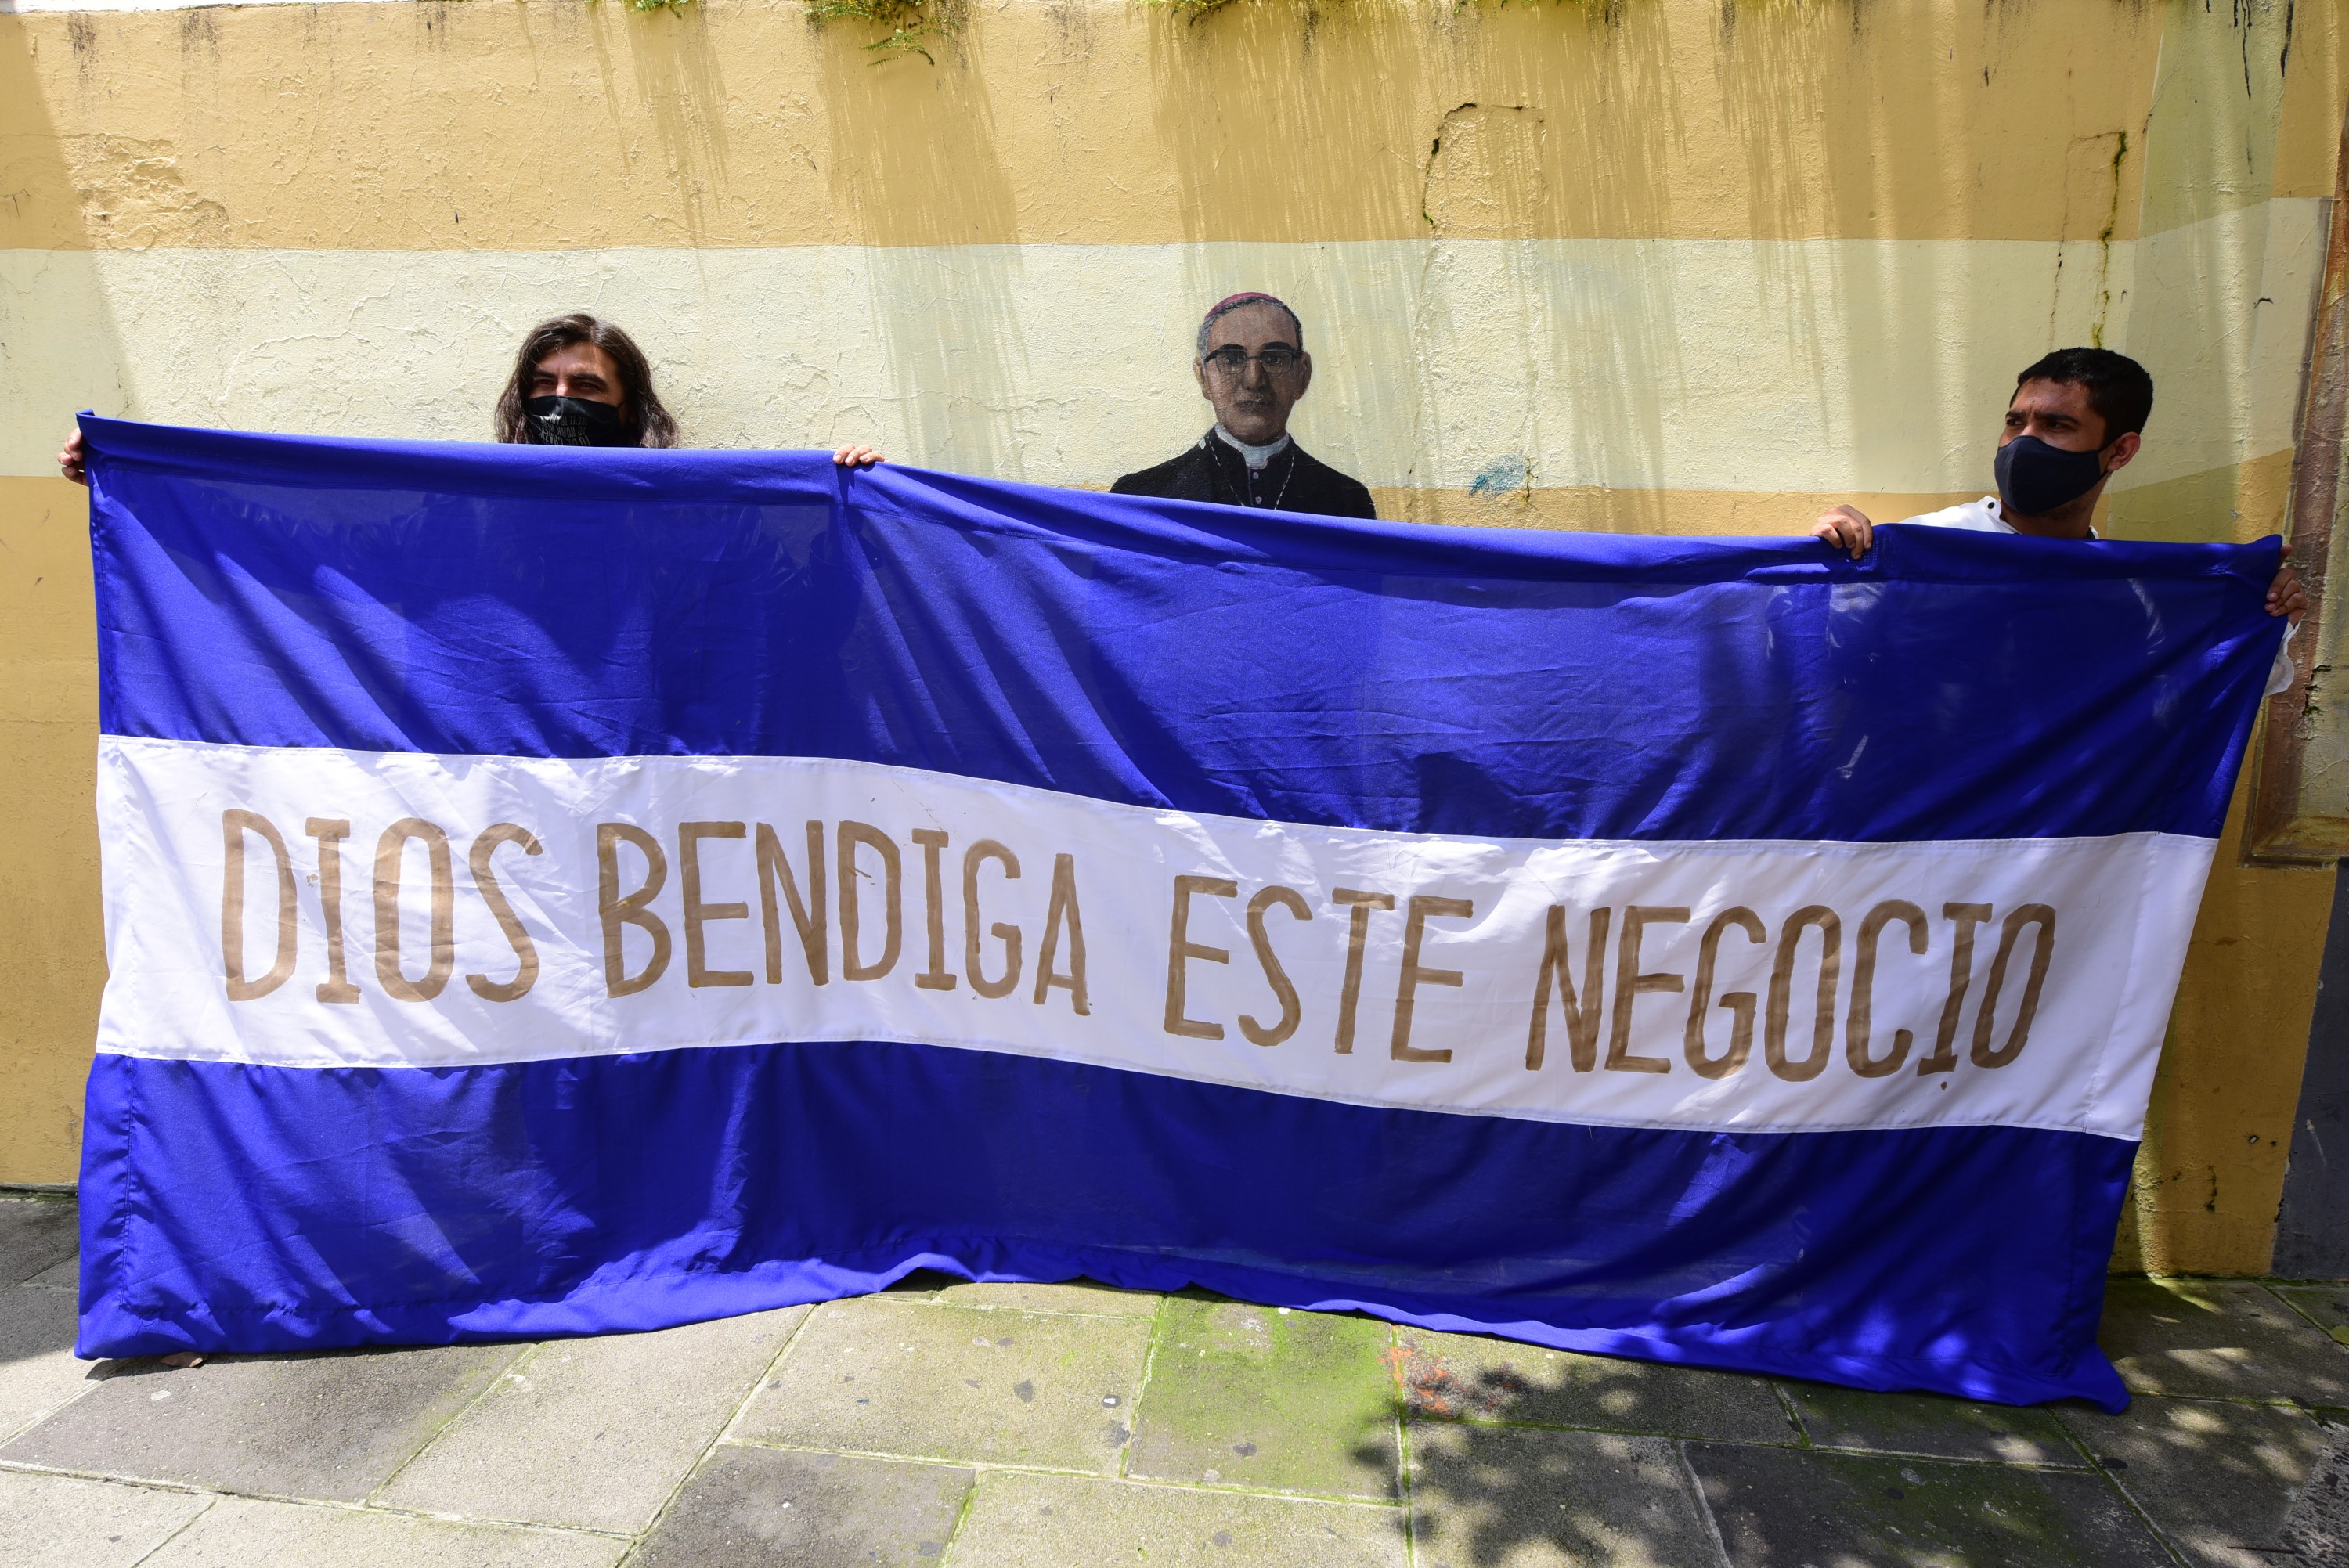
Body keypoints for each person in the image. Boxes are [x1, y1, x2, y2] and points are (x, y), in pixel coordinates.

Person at [1810, 348, 2304, 638]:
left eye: (2056, 425)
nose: (2023, 443)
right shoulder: (1922, 548)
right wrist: (1825, 561)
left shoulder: (2130, 594)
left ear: (2120, 451)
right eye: (2015, 422)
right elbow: (1816, 645)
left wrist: (2265, 616)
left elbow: (2183, 695)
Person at [56, 312, 882, 481]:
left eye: (586, 385)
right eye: (544, 385)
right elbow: (311, 525)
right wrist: (137, 474)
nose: (562, 398)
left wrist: (849, 491)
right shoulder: (473, 499)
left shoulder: (689, 503)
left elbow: (786, 578)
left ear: (629, 409)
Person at [1112, 293, 1377, 519]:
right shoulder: (1139, 497)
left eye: (1275, 359)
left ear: (1303, 375)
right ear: (1203, 377)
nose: (1254, 381)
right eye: (1230, 359)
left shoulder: (1348, 501)